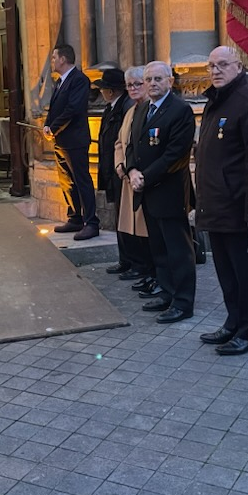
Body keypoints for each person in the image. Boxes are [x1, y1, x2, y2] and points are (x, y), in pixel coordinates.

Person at [195, 46, 248, 354]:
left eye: (223, 64)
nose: (216, 70)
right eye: (211, 65)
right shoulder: (215, 100)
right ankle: (233, 321)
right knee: (225, 270)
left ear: (239, 65)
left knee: (246, 273)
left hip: (238, 208)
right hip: (215, 204)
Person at [126, 61, 197, 323]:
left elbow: (175, 154)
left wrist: (145, 176)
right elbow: (133, 144)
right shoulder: (143, 108)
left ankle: (183, 302)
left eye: (158, 79)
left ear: (170, 81)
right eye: (149, 80)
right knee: (159, 247)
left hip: (169, 191)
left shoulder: (180, 110)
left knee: (178, 249)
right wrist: (132, 170)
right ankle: (166, 292)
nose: (153, 84)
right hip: (146, 190)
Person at [43, 44, 99, 240]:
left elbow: (73, 109)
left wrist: (54, 127)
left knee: (81, 180)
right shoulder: (60, 81)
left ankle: (91, 222)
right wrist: (47, 124)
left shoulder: (79, 80)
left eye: (53, 57)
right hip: (61, 139)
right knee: (67, 180)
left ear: (63, 59)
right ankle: (75, 217)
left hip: (74, 139)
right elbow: (55, 108)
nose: (52, 61)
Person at [113, 66, 156, 292]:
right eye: (129, 85)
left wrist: (136, 171)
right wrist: (121, 165)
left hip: (145, 179)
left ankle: (151, 273)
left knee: (149, 232)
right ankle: (143, 269)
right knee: (135, 231)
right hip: (128, 177)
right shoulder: (131, 111)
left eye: (138, 84)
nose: (133, 88)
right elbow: (121, 143)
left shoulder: (153, 109)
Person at [93, 68, 133, 273]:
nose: (101, 92)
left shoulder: (126, 107)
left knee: (126, 218)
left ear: (110, 91)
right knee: (120, 216)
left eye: (103, 89)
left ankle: (132, 262)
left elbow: (124, 142)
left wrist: (122, 167)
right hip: (113, 169)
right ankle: (126, 260)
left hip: (122, 171)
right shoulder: (112, 108)